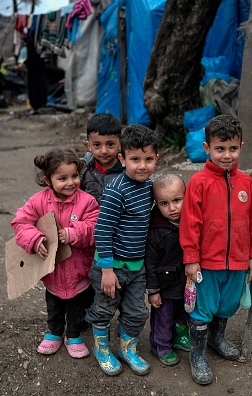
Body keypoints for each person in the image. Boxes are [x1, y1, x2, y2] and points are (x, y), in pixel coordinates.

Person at [179, 114, 252, 385]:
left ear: (241, 146)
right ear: (207, 148)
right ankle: (198, 353)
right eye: (219, 149)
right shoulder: (199, 183)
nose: (227, 155)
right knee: (202, 308)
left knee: (227, 306)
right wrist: (191, 259)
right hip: (207, 263)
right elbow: (190, 224)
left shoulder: (248, 184)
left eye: (233, 148)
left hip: (238, 262)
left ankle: (217, 338)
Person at [85, 124, 159, 376]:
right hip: (112, 267)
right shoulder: (116, 190)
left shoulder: (150, 188)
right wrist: (106, 269)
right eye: (135, 159)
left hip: (136, 267)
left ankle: (128, 348)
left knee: (138, 312)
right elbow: (103, 231)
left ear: (156, 159)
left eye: (148, 159)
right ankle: (102, 349)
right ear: (122, 159)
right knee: (105, 309)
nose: (142, 166)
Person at [11, 148, 99, 358]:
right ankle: (55, 332)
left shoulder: (87, 202)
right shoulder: (38, 202)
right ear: (48, 180)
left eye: (75, 176)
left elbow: (96, 228)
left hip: (80, 270)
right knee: (54, 305)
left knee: (77, 306)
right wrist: (35, 239)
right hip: (52, 271)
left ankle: (74, 334)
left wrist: (73, 233)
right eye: (62, 178)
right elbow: (21, 222)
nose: (71, 183)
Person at [145, 174, 191, 366]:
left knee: (183, 313)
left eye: (177, 201)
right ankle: (160, 345)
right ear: (156, 203)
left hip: (185, 281)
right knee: (163, 317)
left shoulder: (191, 222)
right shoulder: (155, 230)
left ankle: (179, 336)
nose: (172, 208)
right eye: (164, 203)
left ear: (186, 196)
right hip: (164, 285)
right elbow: (150, 263)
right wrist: (153, 290)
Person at [80, 113, 124, 204]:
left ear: (120, 144)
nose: (104, 151)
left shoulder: (127, 170)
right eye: (97, 145)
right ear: (89, 146)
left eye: (110, 144)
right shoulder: (84, 169)